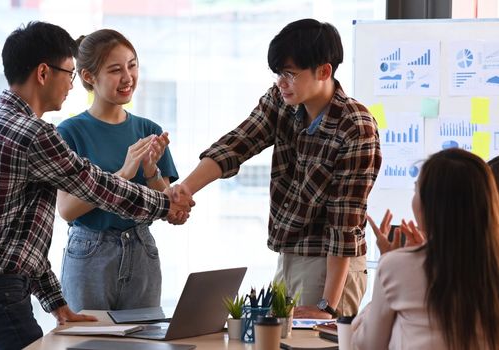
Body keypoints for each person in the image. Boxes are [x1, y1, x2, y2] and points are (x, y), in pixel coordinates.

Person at [0, 21, 193, 350]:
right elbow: (97, 187)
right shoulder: (34, 134)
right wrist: (166, 204)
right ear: (44, 73)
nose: (71, 85)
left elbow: (16, 240)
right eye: (69, 74)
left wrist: (55, 303)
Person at [178, 18, 381, 319]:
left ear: (324, 71)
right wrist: (184, 190)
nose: (280, 82)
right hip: (288, 257)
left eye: (290, 74)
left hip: (331, 266)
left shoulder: (356, 127)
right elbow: (237, 144)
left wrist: (327, 306)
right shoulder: (282, 100)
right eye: (277, 74)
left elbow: (344, 223)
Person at [55, 29, 178, 311]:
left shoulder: (149, 130)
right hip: (89, 252)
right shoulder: (70, 132)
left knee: (144, 340)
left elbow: (169, 206)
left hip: (142, 247)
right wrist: (122, 173)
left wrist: (151, 172)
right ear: (88, 77)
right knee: (89, 342)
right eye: (115, 70)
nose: (128, 77)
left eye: (132, 65)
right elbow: (66, 210)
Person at [353, 148, 499, 350]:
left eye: (416, 190)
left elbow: (368, 344)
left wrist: (388, 263)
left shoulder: (398, 267)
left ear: (430, 205)